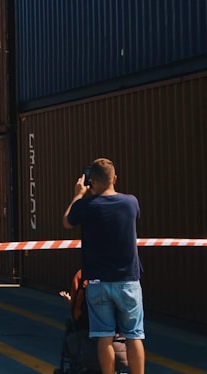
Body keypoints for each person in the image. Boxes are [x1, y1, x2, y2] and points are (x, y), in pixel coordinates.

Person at [63, 157, 145, 374]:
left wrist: (78, 195)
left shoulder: (86, 206)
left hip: (98, 283)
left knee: (104, 337)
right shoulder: (131, 202)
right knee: (134, 335)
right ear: (115, 178)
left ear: (91, 181)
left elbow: (67, 221)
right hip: (128, 281)